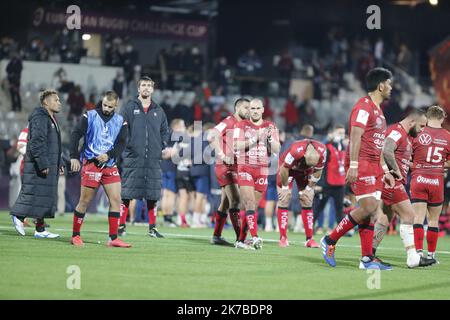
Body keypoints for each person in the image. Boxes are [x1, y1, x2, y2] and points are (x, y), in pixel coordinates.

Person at [321, 67, 395, 270]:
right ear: (380, 85)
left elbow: (378, 145)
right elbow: (355, 136)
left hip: (374, 165)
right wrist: (353, 164)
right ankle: (330, 240)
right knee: (369, 207)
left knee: (370, 213)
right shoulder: (364, 107)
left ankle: (366, 259)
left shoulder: (379, 111)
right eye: (389, 84)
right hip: (361, 162)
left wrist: (385, 170)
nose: (391, 88)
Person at [371, 108, 435, 267]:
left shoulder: (406, 136)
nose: (421, 131)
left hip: (393, 181)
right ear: (412, 122)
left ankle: (369, 253)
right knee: (409, 215)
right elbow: (386, 149)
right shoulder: (397, 131)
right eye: (421, 127)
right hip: (392, 181)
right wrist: (396, 171)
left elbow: (402, 159)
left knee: (385, 218)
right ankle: (413, 257)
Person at [68, 91, 130, 247]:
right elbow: (75, 135)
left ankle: (113, 238)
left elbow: (122, 143)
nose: (106, 108)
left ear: (116, 105)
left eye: (110, 106)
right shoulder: (89, 116)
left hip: (109, 165)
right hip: (92, 164)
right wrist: (74, 156)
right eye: (104, 105)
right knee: (85, 201)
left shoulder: (121, 121)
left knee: (116, 200)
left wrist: (109, 155)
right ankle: (75, 235)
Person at [119, 76, 170, 238]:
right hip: (133, 157)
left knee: (152, 193)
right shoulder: (129, 108)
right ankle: (121, 225)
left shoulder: (159, 110)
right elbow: (120, 129)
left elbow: (165, 131)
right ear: (138, 88)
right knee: (127, 192)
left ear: (153, 89)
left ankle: (152, 228)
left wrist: (161, 145)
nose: (146, 88)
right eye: (143, 85)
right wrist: (128, 146)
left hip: (153, 159)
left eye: (149, 85)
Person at [11, 90, 62, 238]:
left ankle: (40, 229)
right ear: (46, 102)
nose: (59, 103)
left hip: (49, 163)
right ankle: (18, 216)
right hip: (36, 165)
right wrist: (43, 163)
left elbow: (54, 146)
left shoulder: (51, 118)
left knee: (43, 196)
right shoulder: (40, 117)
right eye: (56, 100)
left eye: (59, 100)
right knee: (32, 193)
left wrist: (60, 163)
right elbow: (36, 142)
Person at [234, 98, 280, 250]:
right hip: (245, 167)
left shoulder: (270, 126)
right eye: (251, 108)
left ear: (262, 110)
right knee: (249, 203)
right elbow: (236, 145)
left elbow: (276, 148)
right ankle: (254, 236)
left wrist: (267, 138)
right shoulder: (241, 125)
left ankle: (240, 240)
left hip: (262, 170)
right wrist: (255, 138)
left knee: (253, 207)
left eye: (257, 108)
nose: (254, 111)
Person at [410, 105, 450, 263]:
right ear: (442, 118)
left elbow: (407, 156)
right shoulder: (447, 136)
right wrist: (440, 165)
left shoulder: (418, 133)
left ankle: (418, 253)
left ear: (427, 117)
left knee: (418, 218)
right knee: (433, 220)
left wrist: (419, 164)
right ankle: (432, 255)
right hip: (436, 180)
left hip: (418, 179)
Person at [208, 98, 250, 245]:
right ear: (237, 108)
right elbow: (211, 136)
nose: (249, 111)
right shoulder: (229, 121)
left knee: (225, 203)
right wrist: (223, 155)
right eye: (246, 108)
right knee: (236, 200)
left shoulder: (244, 125)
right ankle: (240, 239)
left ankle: (216, 236)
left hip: (235, 166)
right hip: (225, 166)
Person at [277, 139, 327, 248]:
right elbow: (284, 168)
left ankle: (309, 239)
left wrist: (309, 188)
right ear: (304, 155)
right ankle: (283, 238)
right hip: (288, 169)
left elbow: (318, 171)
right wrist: (285, 187)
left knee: (307, 200)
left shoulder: (323, 151)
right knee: (284, 198)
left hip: (305, 171)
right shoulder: (295, 150)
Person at [314, 125, 346, 234]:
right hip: (327, 183)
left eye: (343, 133)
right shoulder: (327, 147)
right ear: (332, 134)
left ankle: (341, 230)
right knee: (319, 206)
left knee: (339, 209)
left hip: (340, 183)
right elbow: (321, 165)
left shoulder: (343, 147)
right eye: (339, 133)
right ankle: (311, 227)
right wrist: (319, 183)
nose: (341, 135)